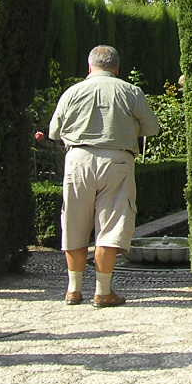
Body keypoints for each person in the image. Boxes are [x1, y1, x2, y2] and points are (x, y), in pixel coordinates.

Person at [47, 45, 160, 308]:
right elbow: (152, 128)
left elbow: (54, 131)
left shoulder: (72, 92)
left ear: (89, 67)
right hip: (117, 159)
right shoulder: (130, 91)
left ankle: (73, 289)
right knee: (111, 226)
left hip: (78, 158)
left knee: (74, 222)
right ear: (117, 68)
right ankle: (103, 291)